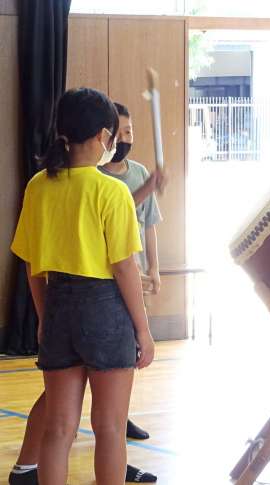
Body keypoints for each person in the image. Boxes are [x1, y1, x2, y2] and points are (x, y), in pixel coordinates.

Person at [9, 88, 155, 485]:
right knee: (109, 428)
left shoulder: (38, 185)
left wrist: (44, 318)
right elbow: (124, 267)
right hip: (105, 310)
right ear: (104, 136)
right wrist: (143, 329)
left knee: (58, 429)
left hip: (57, 305)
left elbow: (31, 265)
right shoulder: (112, 191)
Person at [99, 101, 166, 442]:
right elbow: (121, 210)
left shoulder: (138, 171)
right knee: (111, 355)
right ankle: (108, 419)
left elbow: (148, 224)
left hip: (135, 273)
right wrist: (148, 187)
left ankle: (120, 416)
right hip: (108, 276)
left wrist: (154, 268)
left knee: (129, 352)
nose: (126, 138)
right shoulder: (96, 176)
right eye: (120, 132)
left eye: (130, 131)